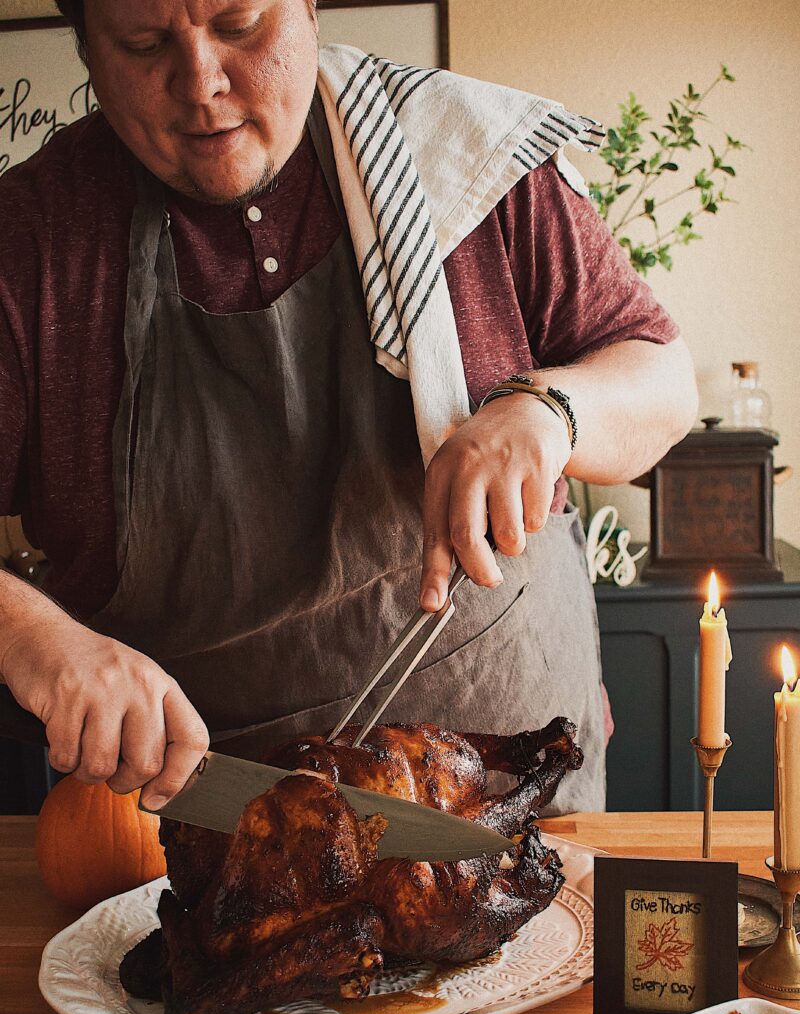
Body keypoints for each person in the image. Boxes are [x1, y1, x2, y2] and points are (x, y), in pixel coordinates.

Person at [0, 0, 697, 815]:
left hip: (512, 800)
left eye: (239, 24)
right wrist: (34, 639)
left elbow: (662, 377)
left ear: (307, 9)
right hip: (207, 827)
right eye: (146, 44)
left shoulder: (464, 154)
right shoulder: (29, 240)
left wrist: (553, 410)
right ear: (88, 48)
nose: (201, 83)